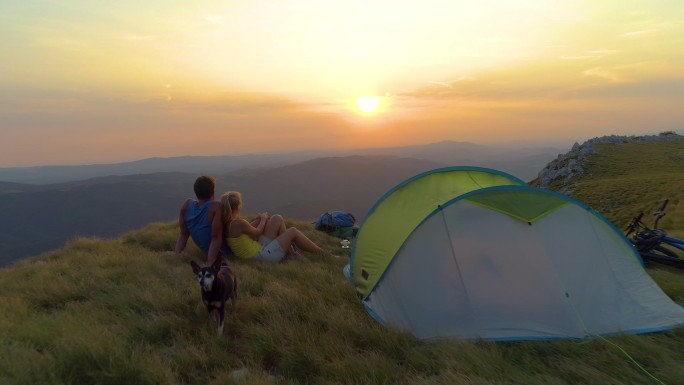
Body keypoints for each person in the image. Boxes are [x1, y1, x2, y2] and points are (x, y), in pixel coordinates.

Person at [220, 191, 338, 261]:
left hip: (256, 249)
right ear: (238, 207)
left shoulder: (228, 223)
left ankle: (291, 253)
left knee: (277, 218)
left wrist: (257, 220)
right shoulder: (238, 223)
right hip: (261, 256)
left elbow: (247, 234)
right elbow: (257, 233)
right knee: (293, 231)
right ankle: (326, 255)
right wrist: (263, 218)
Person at [174, 176, 232, 266]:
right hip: (226, 252)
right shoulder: (215, 207)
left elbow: (183, 234)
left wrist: (176, 254)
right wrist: (210, 263)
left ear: (196, 192)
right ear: (213, 191)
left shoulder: (186, 205)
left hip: (208, 251)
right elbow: (215, 237)